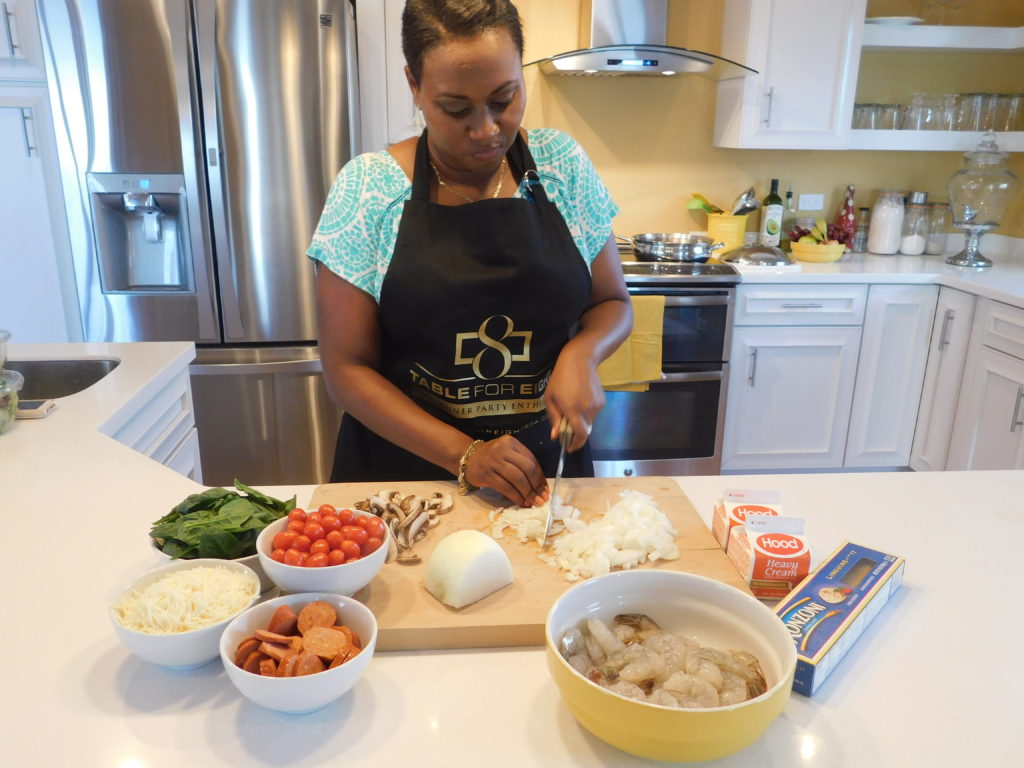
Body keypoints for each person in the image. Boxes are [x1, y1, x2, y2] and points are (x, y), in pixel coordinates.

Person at [308, 0, 631, 508]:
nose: (486, 131)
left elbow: (612, 303)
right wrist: (466, 454)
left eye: (504, 99)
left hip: (544, 474)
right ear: (414, 85)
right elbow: (346, 370)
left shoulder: (562, 167)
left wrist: (581, 354)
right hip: (405, 483)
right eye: (456, 109)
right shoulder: (369, 188)